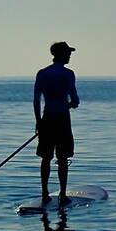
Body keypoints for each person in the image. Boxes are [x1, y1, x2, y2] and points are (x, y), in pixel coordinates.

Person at [33, 42, 80, 206]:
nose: (69, 56)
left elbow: (36, 100)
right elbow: (75, 100)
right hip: (62, 119)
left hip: (46, 118)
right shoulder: (68, 74)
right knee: (62, 158)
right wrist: (70, 104)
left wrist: (38, 122)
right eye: (68, 53)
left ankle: (45, 193)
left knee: (45, 158)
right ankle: (62, 194)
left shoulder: (42, 73)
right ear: (61, 54)